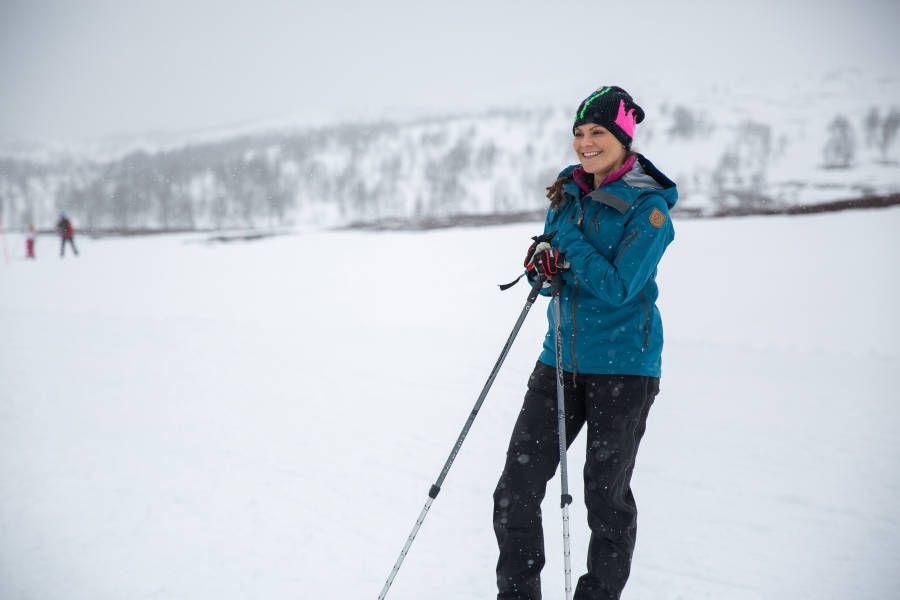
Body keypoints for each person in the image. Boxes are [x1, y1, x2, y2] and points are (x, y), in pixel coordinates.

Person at [493, 86, 677, 600]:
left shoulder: (650, 209)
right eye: (579, 132)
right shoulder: (567, 192)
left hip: (624, 370)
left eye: (598, 132)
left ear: (623, 138)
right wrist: (542, 268)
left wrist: (567, 242)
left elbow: (621, 286)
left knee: (605, 499)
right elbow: (555, 274)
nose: (585, 143)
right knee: (515, 493)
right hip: (559, 362)